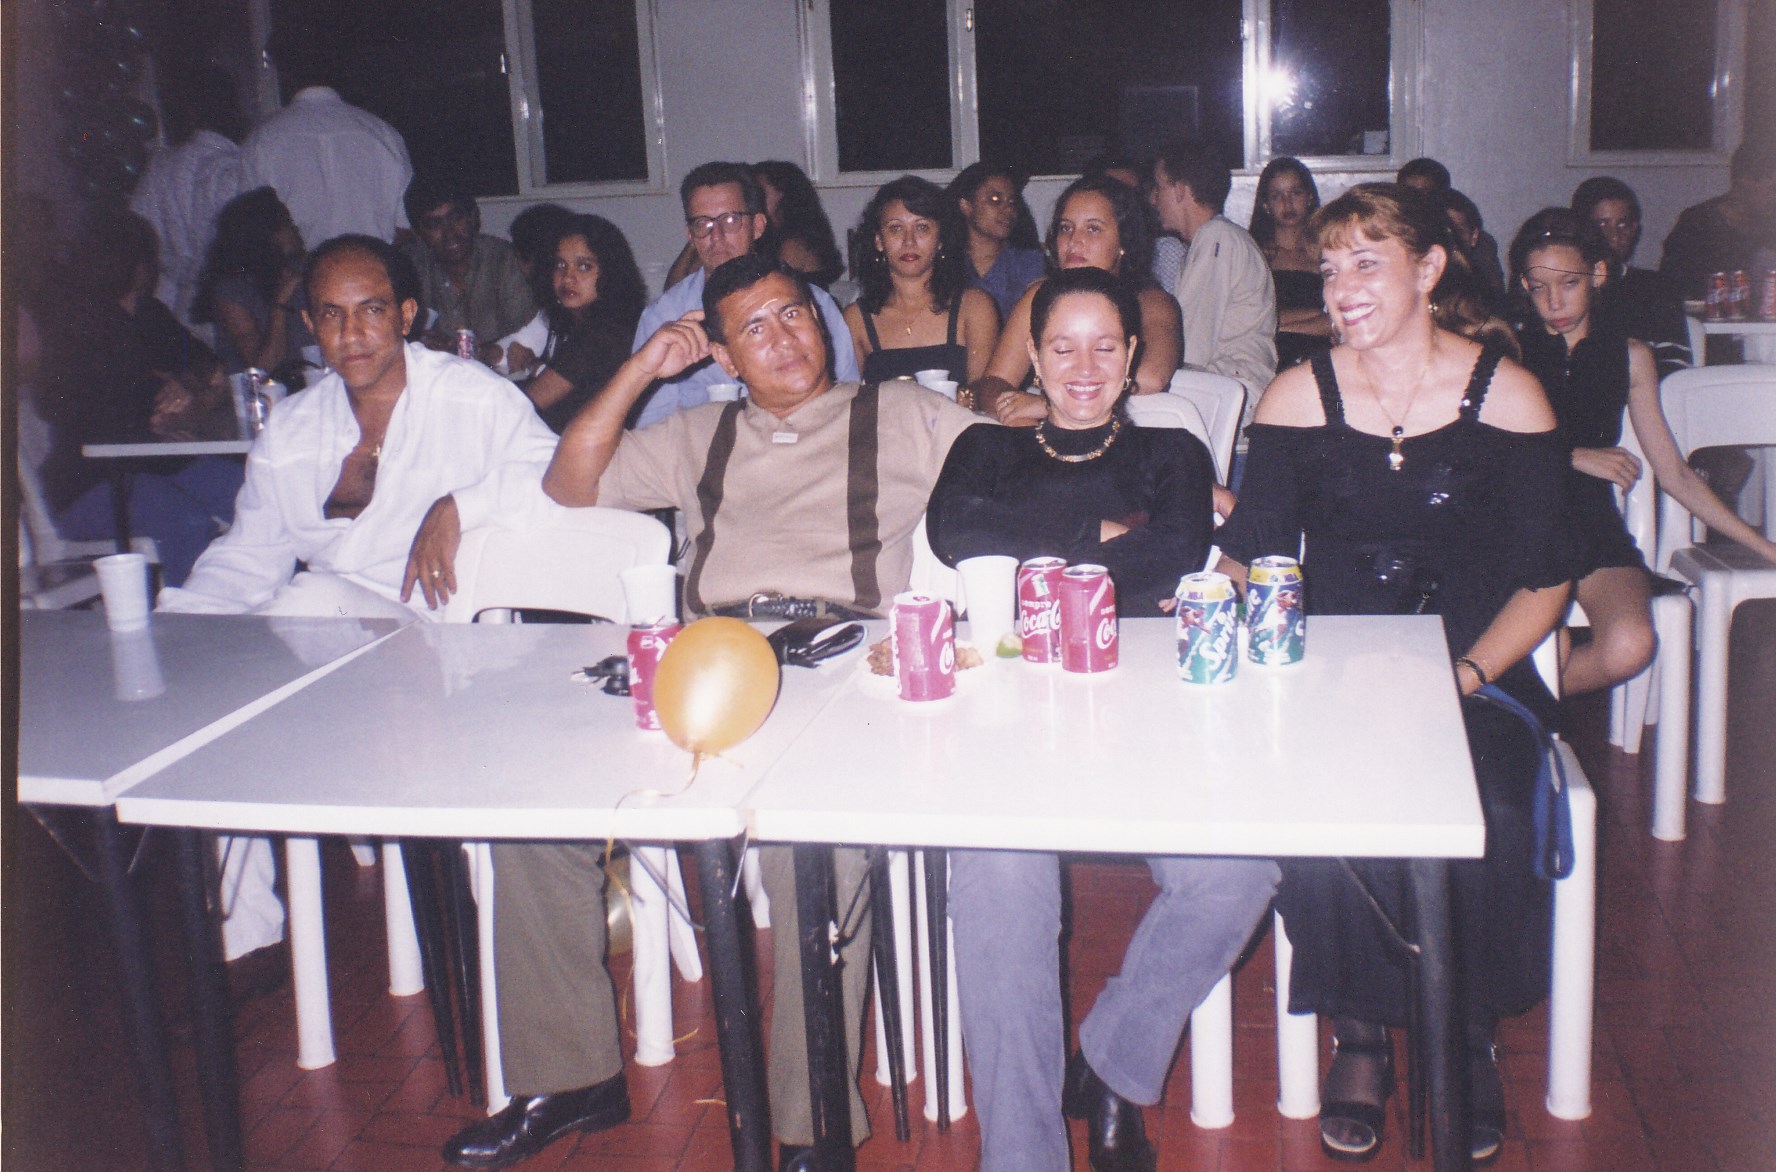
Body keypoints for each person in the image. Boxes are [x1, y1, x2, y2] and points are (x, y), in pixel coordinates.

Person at [450, 252, 979, 1172]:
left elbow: (1013, 466)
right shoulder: (698, 432)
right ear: (725, 357)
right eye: (755, 329)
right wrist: (640, 369)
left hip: (837, 658)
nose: (784, 338)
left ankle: (811, 1122)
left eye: (795, 314)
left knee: (817, 849)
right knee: (535, 814)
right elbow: (568, 484)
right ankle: (570, 1077)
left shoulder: (902, 413)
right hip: (705, 657)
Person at [1217, 183, 1573, 1166]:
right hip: (1332, 674)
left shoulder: (1508, 393)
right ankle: (1363, 1030)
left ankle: (1466, 1032)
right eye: (1330, 268)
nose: (1341, 287)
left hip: (1475, 673)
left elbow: (1548, 579)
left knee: (1490, 805)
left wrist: (1464, 672)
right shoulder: (1299, 394)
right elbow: (1251, 550)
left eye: (1367, 262)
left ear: (1429, 269)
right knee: (1322, 796)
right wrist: (1214, 612)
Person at [927, 266, 1279, 1172]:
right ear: (1033, 357)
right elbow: (956, 537)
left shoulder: (1174, 452)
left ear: (1131, 358)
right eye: (1061, 347)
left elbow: (1175, 552)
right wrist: (1106, 539)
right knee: (998, 887)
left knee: (1237, 875)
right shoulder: (983, 450)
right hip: (1008, 721)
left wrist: (1039, 545)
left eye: (1104, 347)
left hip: (1150, 715)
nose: (1083, 368)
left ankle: (1115, 1063)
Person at [158, 234, 560, 967]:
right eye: (331, 314)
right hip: (324, 650)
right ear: (309, 323)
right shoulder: (294, 427)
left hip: (443, 640)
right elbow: (249, 553)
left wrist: (460, 505)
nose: (352, 334)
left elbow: (553, 470)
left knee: (302, 602)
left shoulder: (468, 397)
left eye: (371, 310)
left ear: (406, 314)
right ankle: (245, 941)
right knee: (213, 697)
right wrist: (176, 625)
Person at [1510, 208, 1776, 695]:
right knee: (1544, 644)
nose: (1554, 301)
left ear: (1598, 273)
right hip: (1516, 521)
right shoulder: (1509, 351)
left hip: (1592, 526)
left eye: (1569, 283)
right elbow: (1484, 453)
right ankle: (1515, 697)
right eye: (1538, 287)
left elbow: (1675, 473)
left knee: (1630, 645)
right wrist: (1570, 455)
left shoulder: (1630, 355)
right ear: (1524, 287)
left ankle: (1515, 694)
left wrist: (1762, 547)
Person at [32, 211, 243, 587]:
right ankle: (190, 617)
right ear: (142, 264)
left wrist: (184, 385)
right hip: (92, 482)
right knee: (186, 522)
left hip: (162, 463)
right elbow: (55, 403)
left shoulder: (150, 315)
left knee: (254, 494)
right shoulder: (75, 323)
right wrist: (158, 401)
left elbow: (207, 364)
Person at [630, 161, 859, 428]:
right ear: (690, 235)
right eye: (703, 224)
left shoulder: (810, 303)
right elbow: (652, 425)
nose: (717, 236)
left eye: (730, 220)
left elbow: (846, 398)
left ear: (758, 226)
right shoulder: (665, 317)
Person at [971, 175, 1182, 426]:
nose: (1074, 240)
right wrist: (1022, 420)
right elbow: (994, 382)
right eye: (1066, 228)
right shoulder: (1040, 297)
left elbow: (1151, 377)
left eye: (1092, 229)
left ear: (1123, 242)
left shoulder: (1150, 302)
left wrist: (1048, 407)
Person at [238, 28, 413, 247]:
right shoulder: (384, 135)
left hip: (304, 269)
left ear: (284, 71)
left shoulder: (260, 143)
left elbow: (252, 234)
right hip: (374, 265)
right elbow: (405, 229)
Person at [1150, 140, 1278, 416]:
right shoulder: (1208, 240)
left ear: (1180, 190)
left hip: (1234, 390)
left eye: (1159, 188)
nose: (1153, 199)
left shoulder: (1217, 238)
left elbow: (1189, 347)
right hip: (1222, 385)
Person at [842, 175, 999, 387]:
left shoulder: (974, 307)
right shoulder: (856, 319)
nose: (909, 241)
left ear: (940, 239)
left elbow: (985, 395)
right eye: (896, 228)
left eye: (922, 227)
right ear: (879, 241)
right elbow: (845, 400)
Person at [129, 65, 244, 328]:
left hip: (177, 308)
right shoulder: (235, 167)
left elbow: (138, 234)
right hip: (230, 310)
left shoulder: (161, 166)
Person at [511, 214, 648, 432]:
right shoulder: (592, 323)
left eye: (584, 266)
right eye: (560, 264)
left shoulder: (602, 333)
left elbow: (525, 403)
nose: (567, 277)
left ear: (611, 271)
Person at [402, 175, 536, 361]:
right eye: (434, 224)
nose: (449, 233)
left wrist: (466, 350)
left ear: (473, 217)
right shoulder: (410, 268)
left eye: (456, 218)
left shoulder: (506, 261)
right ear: (418, 234)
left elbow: (526, 343)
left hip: (500, 372)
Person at [192, 187, 315, 385]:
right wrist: (281, 303)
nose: (296, 229)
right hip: (262, 395)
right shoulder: (232, 291)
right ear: (267, 237)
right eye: (288, 224)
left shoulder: (305, 268)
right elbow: (263, 369)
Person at [1569, 176, 1691, 374]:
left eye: (1622, 225)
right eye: (1602, 225)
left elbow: (1675, 366)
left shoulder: (1656, 288)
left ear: (1634, 230)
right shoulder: (1565, 290)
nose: (1614, 236)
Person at [664, 160, 846, 291]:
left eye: (761, 192)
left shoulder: (794, 246)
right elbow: (675, 286)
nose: (717, 235)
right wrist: (703, 226)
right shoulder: (736, 240)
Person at [1660, 140, 1776, 300]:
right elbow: (1671, 285)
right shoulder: (1698, 222)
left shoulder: (1769, 224)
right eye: (1773, 189)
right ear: (1744, 180)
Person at [1249, 156, 1330, 369]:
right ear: (1266, 205)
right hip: (1268, 357)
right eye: (1277, 196)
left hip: (1319, 355)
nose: (1288, 203)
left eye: (1296, 193)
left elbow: (1333, 322)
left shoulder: (1326, 253)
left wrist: (1277, 326)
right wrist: (1313, 315)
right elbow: (1251, 321)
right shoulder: (1256, 255)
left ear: (1309, 197)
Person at [948, 161, 1047, 319]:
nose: (1008, 209)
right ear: (966, 206)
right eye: (995, 200)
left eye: (1012, 202)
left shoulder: (1027, 262)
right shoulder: (945, 262)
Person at [1398, 158, 1507, 300]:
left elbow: (1495, 297)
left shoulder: (1473, 240)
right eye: (1408, 194)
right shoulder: (1394, 235)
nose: (1416, 202)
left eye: (1425, 194)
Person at [1439, 189, 1509, 313]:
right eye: (1443, 231)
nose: (1451, 239)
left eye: (1458, 232)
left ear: (1474, 236)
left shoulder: (1483, 285)